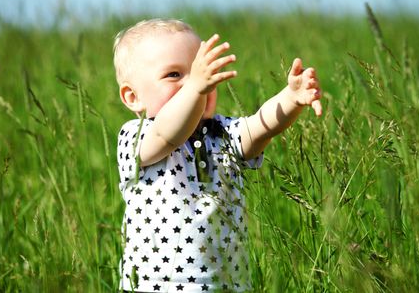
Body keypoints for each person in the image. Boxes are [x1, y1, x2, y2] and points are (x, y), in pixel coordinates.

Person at [114, 19, 322, 292]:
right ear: (133, 97)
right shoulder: (137, 136)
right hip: (153, 287)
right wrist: (195, 87)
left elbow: (261, 125)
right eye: (174, 75)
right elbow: (168, 133)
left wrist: (291, 98)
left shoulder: (221, 132)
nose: (199, 82)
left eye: (202, 72)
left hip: (227, 284)